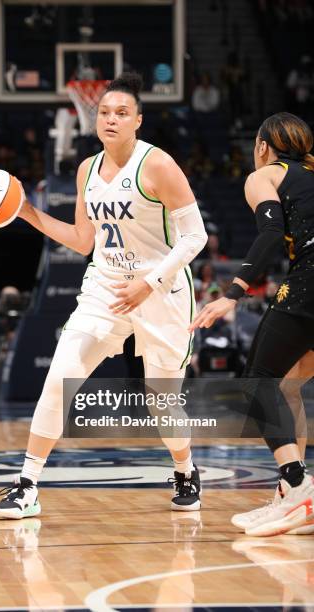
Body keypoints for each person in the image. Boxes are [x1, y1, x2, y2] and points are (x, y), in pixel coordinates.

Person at [0, 72, 208, 519]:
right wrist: (26, 212)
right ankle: (27, 484)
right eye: (105, 112)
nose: (111, 119)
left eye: (121, 113)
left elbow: (195, 238)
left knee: (160, 400)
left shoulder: (158, 166)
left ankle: (185, 469)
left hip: (161, 290)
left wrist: (149, 281)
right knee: (60, 377)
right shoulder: (87, 170)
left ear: (138, 121)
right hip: (105, 287)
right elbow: (81, 240)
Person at [190, 112, 314, 536]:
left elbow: (270, 234)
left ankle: (299, 486)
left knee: (258, 381)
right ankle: (291, 494)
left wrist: (233, 293)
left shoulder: (265, 176)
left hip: (310, 279)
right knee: (288, 385)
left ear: (263, 145)